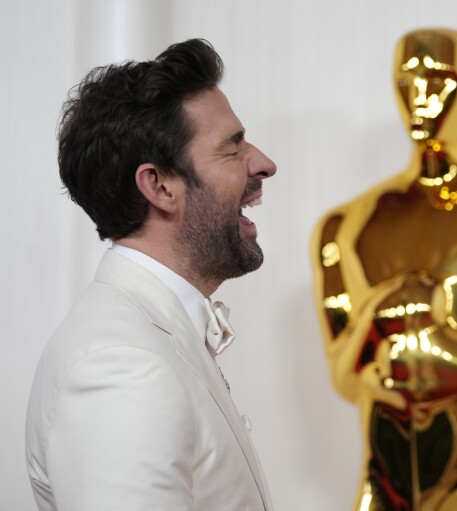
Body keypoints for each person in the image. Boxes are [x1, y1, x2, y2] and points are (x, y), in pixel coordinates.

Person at [25, 39, 277, 510]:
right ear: (159, 186)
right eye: (232, 147)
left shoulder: (148, 335)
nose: (263, 163)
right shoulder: (120, 365)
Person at [312, 28, 457, 509]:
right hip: (381, 485)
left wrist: (420, 351)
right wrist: (382, 310)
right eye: (407, 82)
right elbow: (343, 374)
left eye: (438, 79)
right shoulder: (346, 227)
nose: (419, 98)